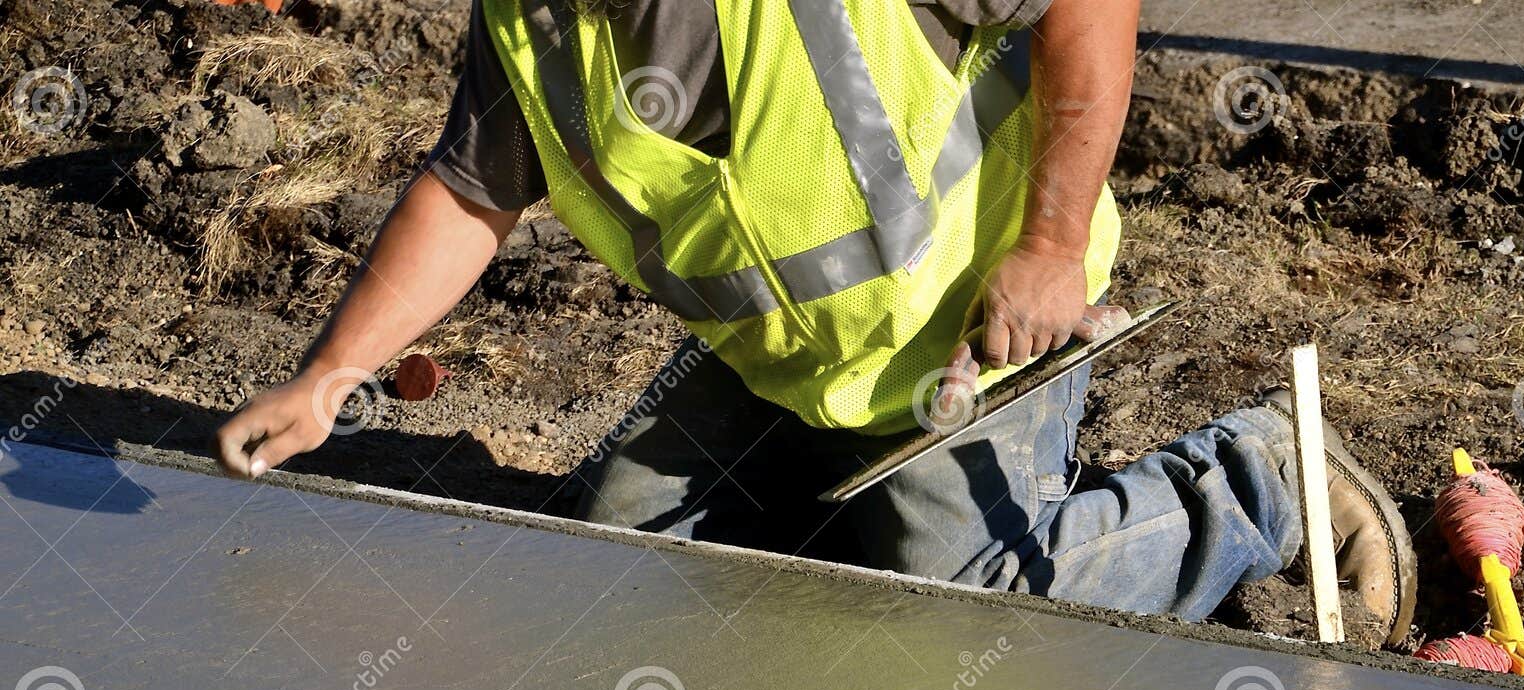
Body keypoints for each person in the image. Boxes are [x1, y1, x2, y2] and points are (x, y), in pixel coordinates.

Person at [212, 0, 1417, 643]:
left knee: (959, 611)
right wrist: (334, 374)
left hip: (982, 335)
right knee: (602, 555)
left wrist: (1048, 248)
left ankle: (1262, 483)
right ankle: (844, 528)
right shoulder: (533, 24)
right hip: (789, 373)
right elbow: (472, 191)